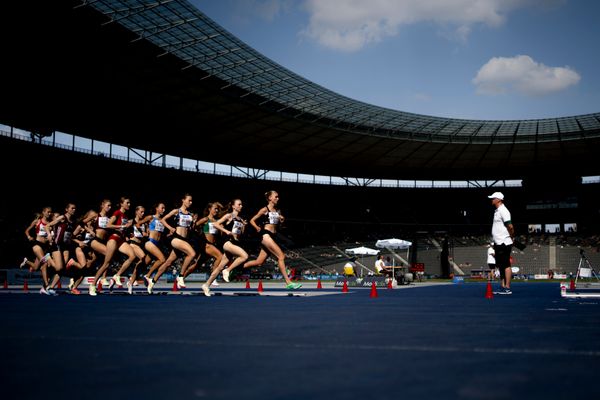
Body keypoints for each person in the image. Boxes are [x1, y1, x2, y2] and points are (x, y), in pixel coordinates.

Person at [488, 192, 514, 294]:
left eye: (493, 198)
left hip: (504, 242)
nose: (491, 200)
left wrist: (511, 236)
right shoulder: (498, 210)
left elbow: (510, 226)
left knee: (506, 264)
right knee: (501, 265)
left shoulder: (503, 210)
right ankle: (503, 286)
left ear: (498, 199)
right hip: (498, 242)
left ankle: (507, 287)